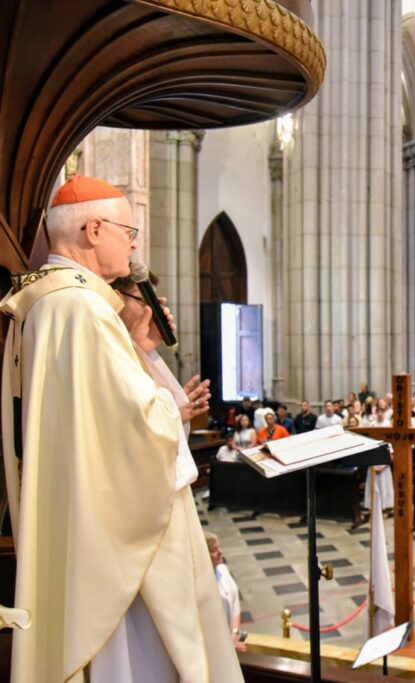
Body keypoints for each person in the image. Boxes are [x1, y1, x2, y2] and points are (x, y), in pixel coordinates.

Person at [0, 176, 242, 681]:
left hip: (85, 521)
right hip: (119, 545)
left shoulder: (50, 302)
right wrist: (165, 404)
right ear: (93, 229)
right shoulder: (83, 309)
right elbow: (136, 433)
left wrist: (139, 347)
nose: (133, 245)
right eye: (128, 231)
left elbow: (95, 420)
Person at [205, 532, 246, 652]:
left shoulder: (223, 569)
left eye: (219, 547)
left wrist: (234, 634)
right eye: (214, 550)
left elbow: (235, 603)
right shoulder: (200, 585)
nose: (220, 552)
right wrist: (228, 644)